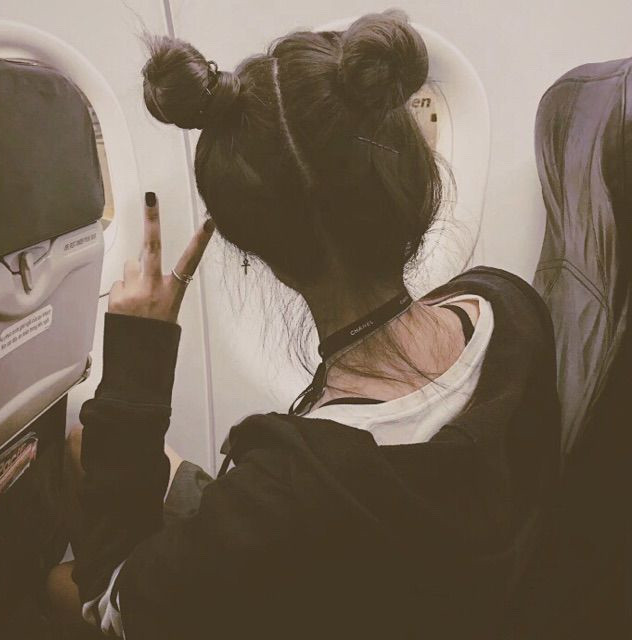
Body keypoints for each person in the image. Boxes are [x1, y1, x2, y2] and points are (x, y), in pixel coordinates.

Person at [51, 10, 560, 639]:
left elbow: (113, 599)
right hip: (417, 585)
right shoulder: (508, 306)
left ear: (254, 245)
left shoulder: (292, 486)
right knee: (84, 446)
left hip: (313, 556)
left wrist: (139, 354)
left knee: (59, 584)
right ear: (410, 184)